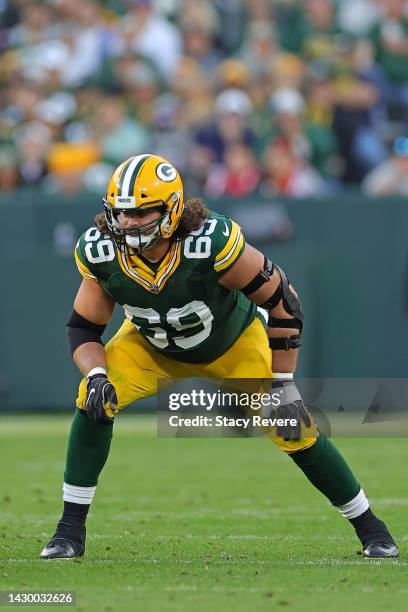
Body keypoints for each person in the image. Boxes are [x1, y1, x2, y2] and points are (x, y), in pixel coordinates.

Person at [40, 153, 398, 560]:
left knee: (292, 425)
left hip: (232, 345)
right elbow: (83, 328)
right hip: (149, 346)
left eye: (142, 212)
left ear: (172, 210)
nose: (128, 223)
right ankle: (68, 532)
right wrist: (97, 374)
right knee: (93, 401)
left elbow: (285, 303)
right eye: (121, 213)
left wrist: (283, 385)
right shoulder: (101, 251)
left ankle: (372, 529)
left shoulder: (210, 242)